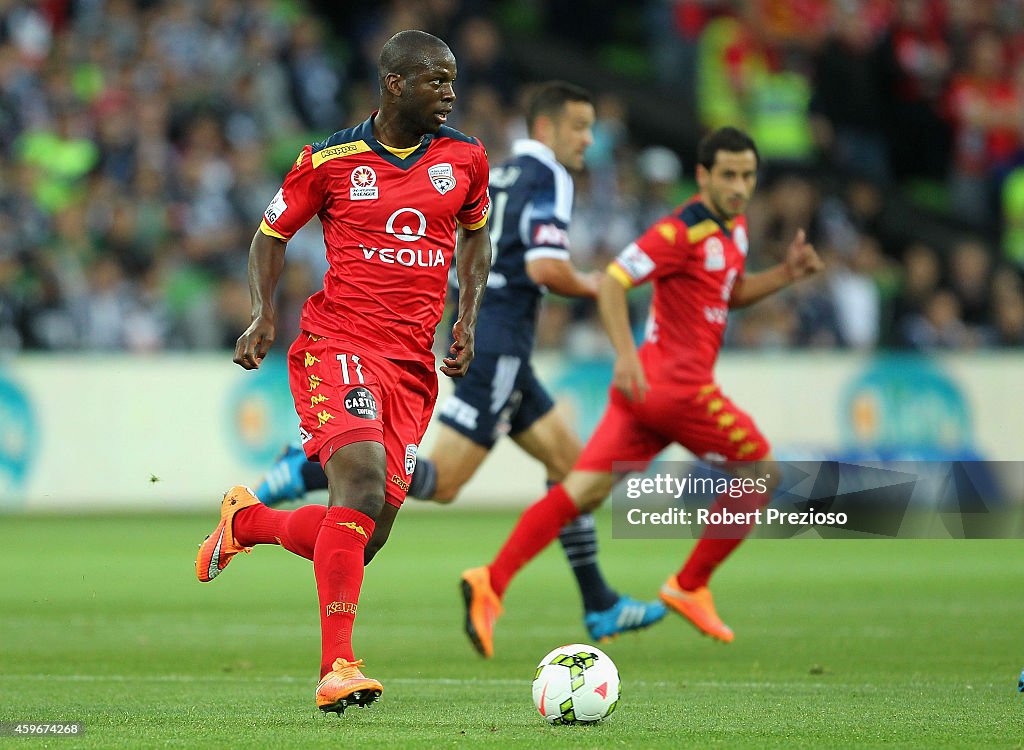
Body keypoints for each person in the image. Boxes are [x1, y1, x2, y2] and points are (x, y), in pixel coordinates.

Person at [252, 81, 665, 649]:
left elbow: (474, 238)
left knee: (571, 467)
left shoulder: (498, 167)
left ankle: (596, 602)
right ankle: (307, 467)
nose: (588, 141)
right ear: (545, 128)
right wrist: (608, 284)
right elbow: (545, 266)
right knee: (441, 483)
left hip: (492, 337)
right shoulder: (550, 176)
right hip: (498, 344)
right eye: (579, 128)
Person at [194, 30, 493, 714]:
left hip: (413, 365)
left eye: (452, 80)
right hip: (339, 343)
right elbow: (271, 234)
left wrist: (466, 317)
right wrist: (263, 314)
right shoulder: (329, 159)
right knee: (355, 482)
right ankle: (337, 668)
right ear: (394, 83)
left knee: (366, 532)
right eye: (435, 81)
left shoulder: (466, 159)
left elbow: (476, 233)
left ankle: (250, 524)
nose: (450, 92)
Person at [460, 126, 824, 657]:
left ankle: (490, 581)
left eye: (747, 175)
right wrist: (625, 353)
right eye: (728, 175)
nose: (739, 186)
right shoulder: (679, 232)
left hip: (644, 395)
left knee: (580, 492)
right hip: (676, 388)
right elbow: (612, 281)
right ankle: (690, 583)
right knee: (762, 473)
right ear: (702, 176)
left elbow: (731, 290)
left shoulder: (735, 228)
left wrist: (787, 274)